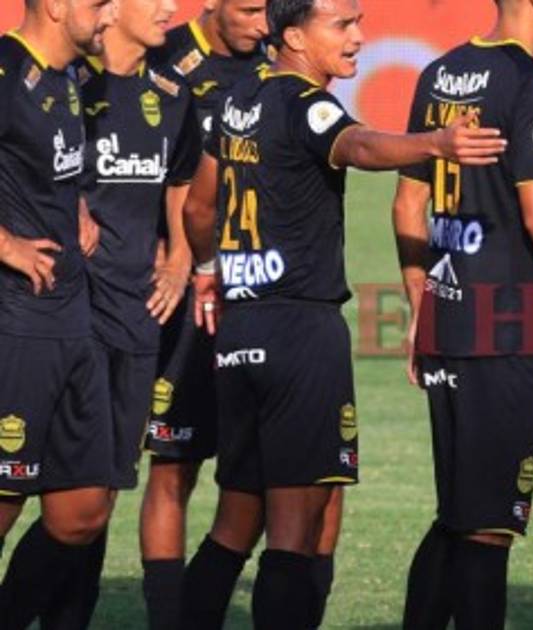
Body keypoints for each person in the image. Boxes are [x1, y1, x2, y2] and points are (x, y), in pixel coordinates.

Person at [180, 0, 507, 627]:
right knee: (294, 534)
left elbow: (198, 207)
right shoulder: (310, 104)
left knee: (232, 525)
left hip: (240, 329)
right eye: (342, 25)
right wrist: (435, 142)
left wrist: (207, 270)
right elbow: (356, 143)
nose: (359, 37)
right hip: (299, 334)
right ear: (295, 37)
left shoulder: (237, 99)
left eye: (359, 22)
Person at [393, 0, 533, 626]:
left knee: (459, 513)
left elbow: (407, 206)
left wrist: (420, 307)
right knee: (488, 527)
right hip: (501, 327)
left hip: (447, 314)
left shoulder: (439, 73)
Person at [36, 0, 203, 626]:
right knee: (53, 495)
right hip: (69, 311)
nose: (170, 9)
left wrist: (181, 256)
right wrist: (72, 207)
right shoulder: (67, 84)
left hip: (136, 316)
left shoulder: (172, 92)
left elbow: (183, 180)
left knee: (98, 500)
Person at [139, 1, 271, 625]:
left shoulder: (276, 64)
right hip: (185, 288)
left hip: (258, 291)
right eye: (249, 9)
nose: (262, 24)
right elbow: (156, 172)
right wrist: (177, 255)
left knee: (257, 472)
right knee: (175, 464)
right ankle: (168, 616)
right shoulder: (162, 60)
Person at [0, 0, 116, 627]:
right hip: (16, 322)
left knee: (82, 514)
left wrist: (74, 207)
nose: (112, 14)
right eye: (100, 3)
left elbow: (41, 169)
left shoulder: (67, 77)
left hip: (73, 319)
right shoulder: (5, 71)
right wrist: (6, 244)